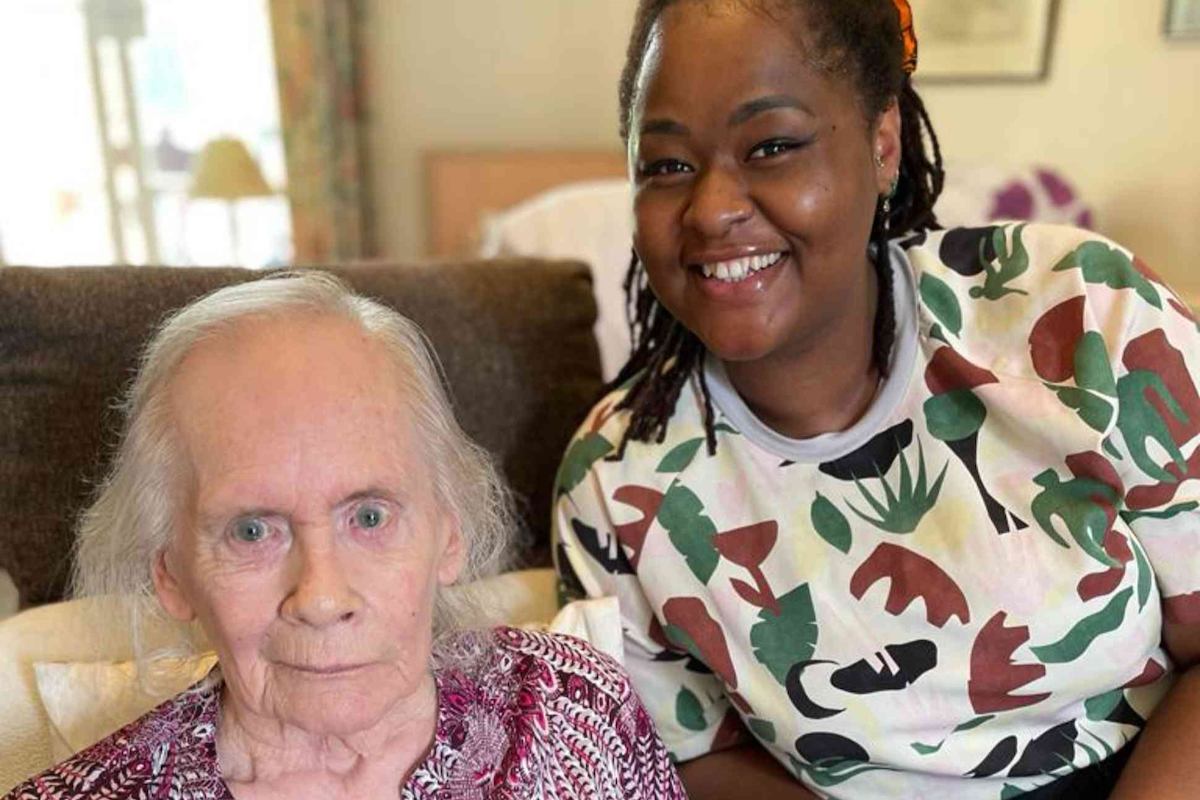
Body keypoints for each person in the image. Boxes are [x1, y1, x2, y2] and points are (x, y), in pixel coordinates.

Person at [552, 1, 1200, 798]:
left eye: (773, 146)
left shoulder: (1086, 317)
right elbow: (691, 755)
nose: (712, 209)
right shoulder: (615, 486)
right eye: (666, 166)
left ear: (883, 144)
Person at [7, 272, 685, 800]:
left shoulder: (576, 709)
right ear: (169, 572)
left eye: (369, 517)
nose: (323, 598)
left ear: (449, 531)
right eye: (251, 531)